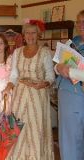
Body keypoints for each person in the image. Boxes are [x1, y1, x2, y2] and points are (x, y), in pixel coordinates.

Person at [3, 20, 55, 160]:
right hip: (20, 95)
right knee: (19, 127)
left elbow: (51, 76)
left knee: (36, 128)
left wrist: (44, 84)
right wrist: (8, 86)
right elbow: (14, 75)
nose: (30, 35)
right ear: (23, 35)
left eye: (34, 32)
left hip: (38, 95)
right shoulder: (17, 52)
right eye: (28, 32)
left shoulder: (45, 53)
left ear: (38, 35)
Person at [55, 10, 84, 160]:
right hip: (64, 92)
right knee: (66, 137)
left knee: (75, 138)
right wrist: (58, 68)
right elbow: (59, 63)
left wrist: (69, 71)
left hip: (77, 96)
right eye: (78, 22)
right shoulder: (74, 41)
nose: (80, 25)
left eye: (83, 22)